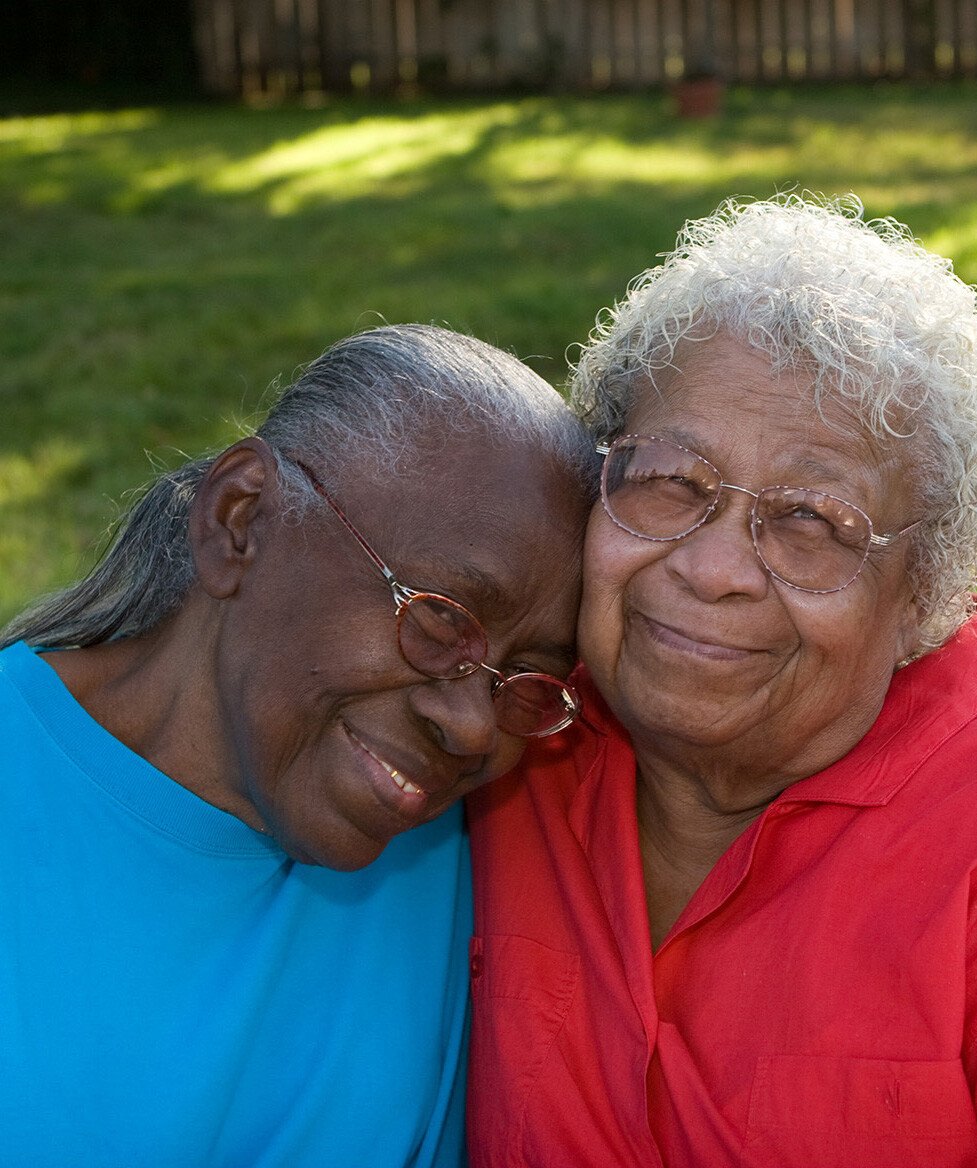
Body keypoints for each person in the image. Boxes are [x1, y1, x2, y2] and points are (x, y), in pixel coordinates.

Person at [467, 196, 977, 1166]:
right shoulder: (496, 742)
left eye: (812, 520)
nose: (713, 568)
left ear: (922, 592)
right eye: (670, 479)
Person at [0, 323, 596, 1167]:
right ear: (239, 521)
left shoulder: (455, 845)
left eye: (526, 677)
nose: (471, 727)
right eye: (438, 618)